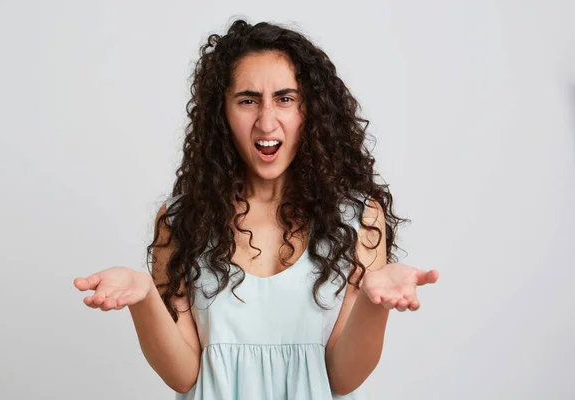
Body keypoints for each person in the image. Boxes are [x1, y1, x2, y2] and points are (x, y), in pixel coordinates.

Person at [73, 19, 439, 399]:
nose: (266, 121)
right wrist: (144, 297)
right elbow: (184, 375)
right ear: (222, 113)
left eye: (285, 98)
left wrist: (372, 305)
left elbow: (341, 379)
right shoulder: (182, 221)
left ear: (309, 110)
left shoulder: (356, 220)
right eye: (248, 100)